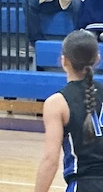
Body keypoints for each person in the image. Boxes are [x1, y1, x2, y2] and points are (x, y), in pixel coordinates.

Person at [34, 29, 103, 192]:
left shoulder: (56, 103)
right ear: (97, 59)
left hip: (84, 185)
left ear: (64, 61)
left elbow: (50, 160)